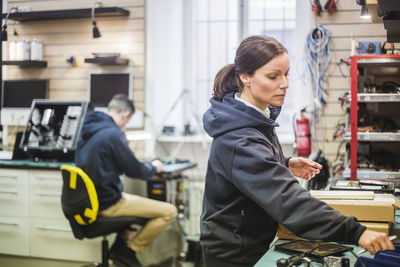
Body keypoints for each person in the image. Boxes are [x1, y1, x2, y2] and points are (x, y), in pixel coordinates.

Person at [200, 36, 394, 267]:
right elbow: (288, 200)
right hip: (233, 253)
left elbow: (249, 167)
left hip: (250, 238)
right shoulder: (239, 138)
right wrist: (356, 232)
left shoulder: (253, 117)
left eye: (286, 74)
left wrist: (284, 163)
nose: (285, 83)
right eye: (273, 76)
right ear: (246, 77)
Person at [75, 94, 177, 267]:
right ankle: (127, 252)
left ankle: (121, 249)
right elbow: (134, 170)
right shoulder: (113, 134)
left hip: (90, 201)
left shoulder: (86, 131)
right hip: (108, 203)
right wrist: (154, 167)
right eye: (127, 121)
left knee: (131, 199)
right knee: (169, 211)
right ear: (125, 115)